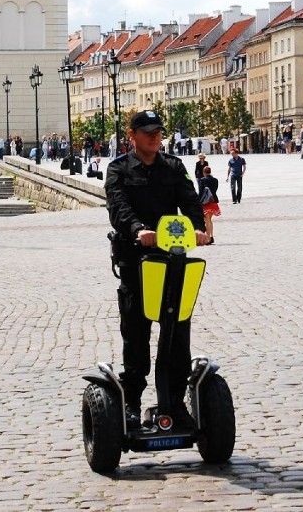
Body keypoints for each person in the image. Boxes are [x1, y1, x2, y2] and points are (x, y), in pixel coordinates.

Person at [105, 110, 209, 430]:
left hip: (171, 261)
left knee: (177, 335)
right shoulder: (118, 169)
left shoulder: (174, 167)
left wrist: (197, 228)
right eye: (147, 131)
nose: (154, 136)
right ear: (132, 135)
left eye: (158, 131)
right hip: (135, 261)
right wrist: (138, 229)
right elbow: (118, 207)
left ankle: (174, 403)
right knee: (136, 335)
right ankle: (132, 405)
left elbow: (190, 201)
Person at [198, 165, 220, 245]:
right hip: (213, 201)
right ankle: (211, 236)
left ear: (204, 172)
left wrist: (198, 201)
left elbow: (200, 192)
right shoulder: (215, 180)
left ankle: (208, 238)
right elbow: (215, 190)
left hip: (205, 202)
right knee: (209, 220)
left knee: (207, 220)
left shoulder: (202, 180)